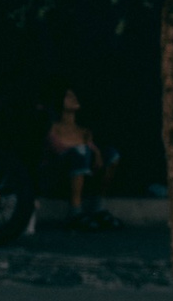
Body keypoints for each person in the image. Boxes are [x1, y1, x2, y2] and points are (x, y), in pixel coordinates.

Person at [44, 86, 121, 229]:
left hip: (86, 172)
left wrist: (96, 153)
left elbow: (91, 149)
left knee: (112, 155)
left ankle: (98, 207)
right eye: (69, 96)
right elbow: (56, 151)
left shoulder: (83, 130)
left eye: (75, 96)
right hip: (61, 173)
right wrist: (84, 148)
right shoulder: (53, 128)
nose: (74, 99)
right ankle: (75, 211)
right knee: (80, 151)